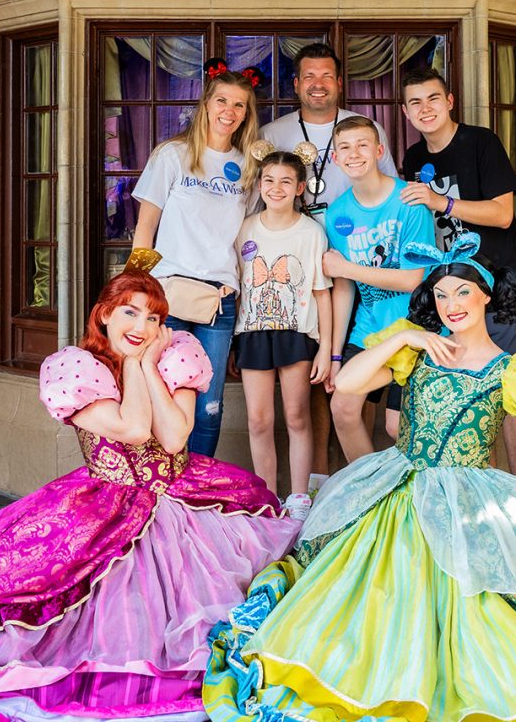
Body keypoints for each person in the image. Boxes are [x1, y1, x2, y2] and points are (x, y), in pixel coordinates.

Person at [203, 235, 516, 722]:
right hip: (397, 486)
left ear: (486, 295)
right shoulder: (418, 352)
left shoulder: (514, 369)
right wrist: (403, 337)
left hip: (470, 497)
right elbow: (348, 384)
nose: (451, 305)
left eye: (463, 291)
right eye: (441, 295)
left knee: (486, 601)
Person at [0, 272, 301, 721]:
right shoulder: (77, 370)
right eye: (130, 312)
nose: (142, 326)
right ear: (104, 314)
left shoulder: (176, 357)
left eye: (154, 317)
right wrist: (134, 364)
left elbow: (175, 439)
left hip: (183, 497)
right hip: (105, 502)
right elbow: (135, 429)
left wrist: (147, 366)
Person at [400, 65, 516, 479]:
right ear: (405, 111)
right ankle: (484, 486)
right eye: (414, 102)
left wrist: (441, 201)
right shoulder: (413, 158)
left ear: (449, 101)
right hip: (450, 296)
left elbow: (502, 214)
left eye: (432, 98)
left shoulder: (481, 142)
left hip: (499, 288)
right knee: (470, 391)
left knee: (511, 386)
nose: (425, 109)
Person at [132, 59, 263, 457]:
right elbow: (145, 228)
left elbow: (244, 238)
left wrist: (241, 290)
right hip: (168, 295)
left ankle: (200, 481)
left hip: (219, 299)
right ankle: (163, 480)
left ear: (247, 114)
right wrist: (136, 291)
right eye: (222, 100)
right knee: (162, 396)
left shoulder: (248, 167)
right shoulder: (171, 155)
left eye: (239, 105)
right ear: (206, 103)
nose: (229, 111)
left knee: (209, 406)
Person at [320, 115, 437, 459]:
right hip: (369, 329)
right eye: (345, 147)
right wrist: (336, 356)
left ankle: (417, 489)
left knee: (396, 426)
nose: (354, 153)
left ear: (379, 150)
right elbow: (344, 288)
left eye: (362, 145)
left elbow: (413, 279)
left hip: (416, 326)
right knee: (343, 409)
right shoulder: (337, 214)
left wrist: (348, 268)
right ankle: (371, 487)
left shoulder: (409, 201)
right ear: (335, 158)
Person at [232, 150, 333, 518]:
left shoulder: (311, 233)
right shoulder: (244, 228)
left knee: (296, 416)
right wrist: (231, 342)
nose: (276, 188)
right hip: (252, 333)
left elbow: (322, 293)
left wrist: (326, 348)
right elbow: (239, 286)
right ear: (259, 185)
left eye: (286, 181)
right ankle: (268, 496)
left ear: (300, 188)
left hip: (296, 334)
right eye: (269, 180)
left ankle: (300, 497)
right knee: (258, 419)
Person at [261, 43, 397, 217]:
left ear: (339, 84)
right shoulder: (270, 135)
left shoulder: (369, 130)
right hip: (294, 231)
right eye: (309, 76)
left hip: (357, 230)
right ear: (296, 84)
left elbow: (391, 190)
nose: (318, 84)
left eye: (327, 76)